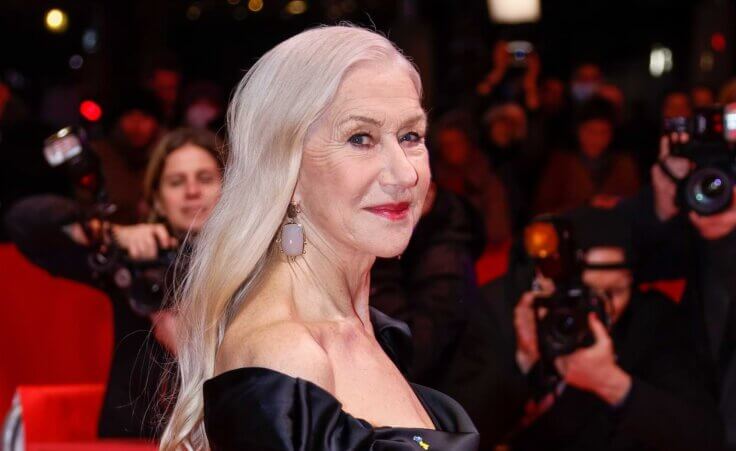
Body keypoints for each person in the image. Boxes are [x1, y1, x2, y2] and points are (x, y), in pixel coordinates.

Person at [160, 26, 480, 451]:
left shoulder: (366, 331)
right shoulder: (286, 357)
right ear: (285, 171)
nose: (406, 173)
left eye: (411, 137)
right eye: (360, 139)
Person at [441, 207, 723, 450]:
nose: (599, 309)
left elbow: (705, 437)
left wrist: (613, 384)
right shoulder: (505, 308)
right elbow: (455, 436)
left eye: (615, 292)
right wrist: (523, 364)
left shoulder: (651, 320)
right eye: (585, 293)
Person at [4, 127, 225, 439]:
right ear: (158, 200)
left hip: (221, 431)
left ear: (227, 189)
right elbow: (25, 222)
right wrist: (113, 234)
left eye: (205, 179)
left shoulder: (253, 261)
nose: (192, 191)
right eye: (176, 182)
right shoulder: (135, 257)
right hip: (136, 436)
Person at [534, 97, 640, 214]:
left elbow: (636, 206)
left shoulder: (624, 165)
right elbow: (543, 209)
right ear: (578, 131)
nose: (597, 139)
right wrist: (586, 205)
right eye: (590, 131)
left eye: (603, 132)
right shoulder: (561, 164)